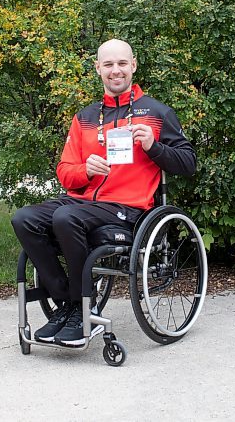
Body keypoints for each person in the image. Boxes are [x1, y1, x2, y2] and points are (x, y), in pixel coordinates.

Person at [11, 38, 196, 347]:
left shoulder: (156, 112)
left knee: (66, 216)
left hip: (128, 207)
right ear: (97, 68)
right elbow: (65, 171)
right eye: (108, 64)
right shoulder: (84, 118)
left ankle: (82, 307)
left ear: (133, 65)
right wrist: (86, 170)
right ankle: (68, 304)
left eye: (122, 63)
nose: (115, 71)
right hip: (82, 201)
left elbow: (188, 163)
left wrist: (154, 146)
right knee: (24, 218)